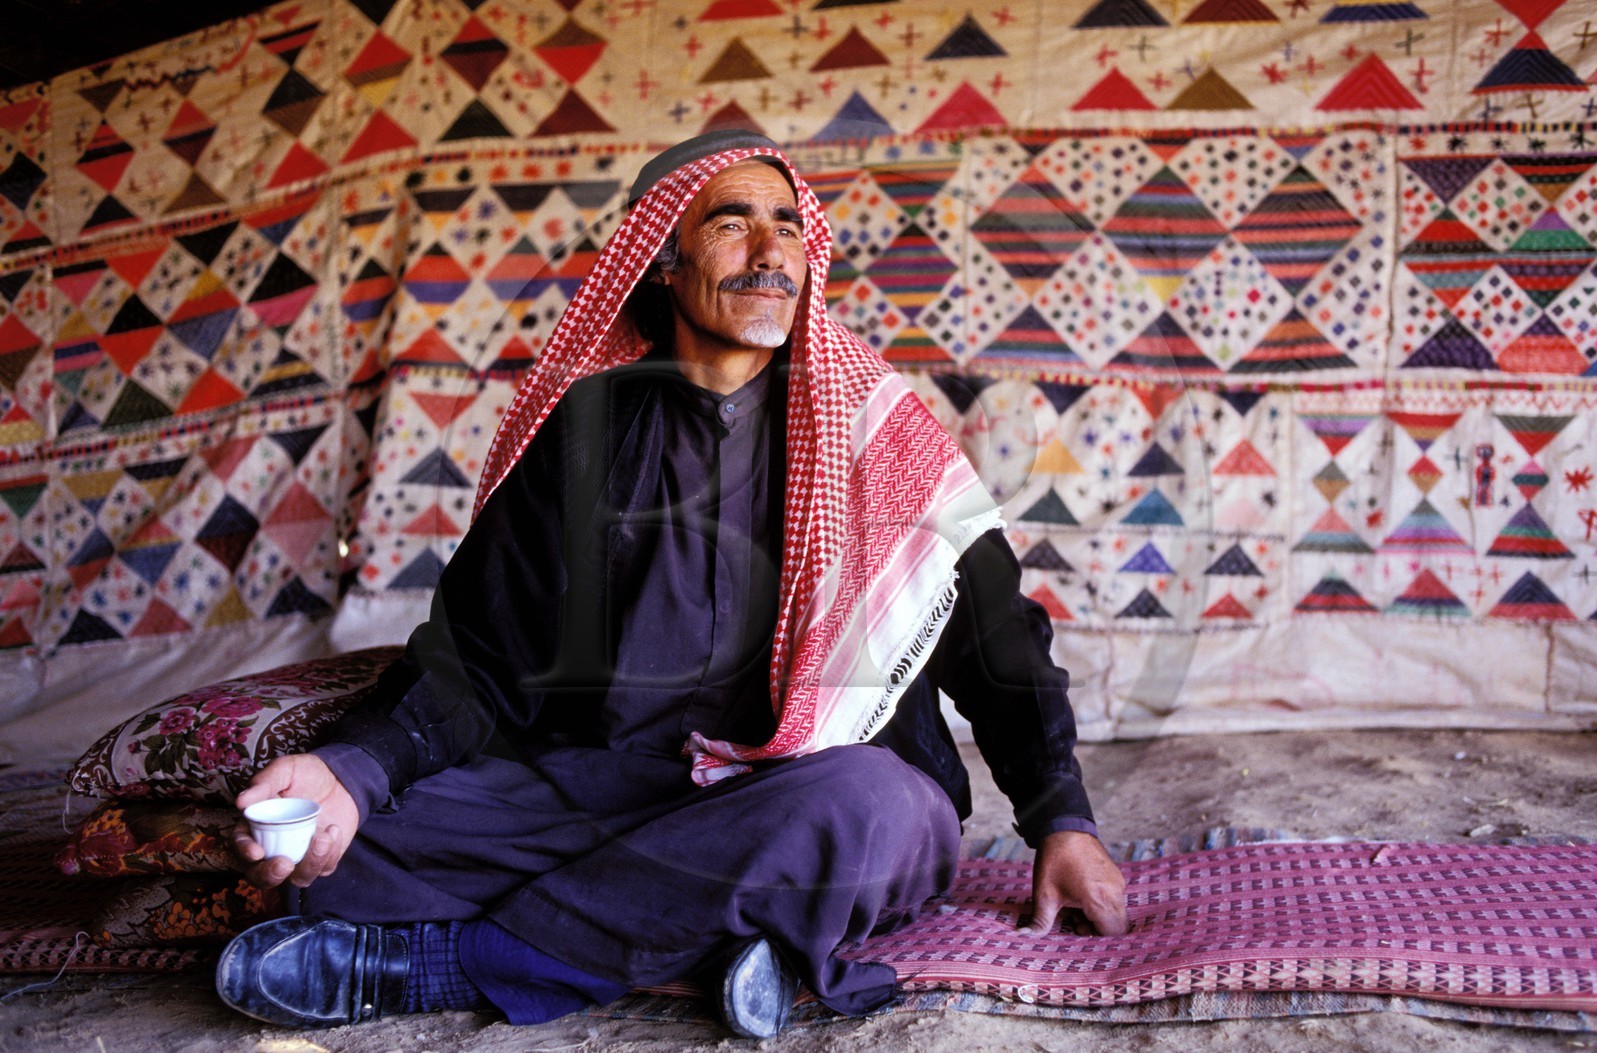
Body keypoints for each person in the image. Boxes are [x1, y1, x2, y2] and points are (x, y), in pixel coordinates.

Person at [217, 131, 1128, 1039]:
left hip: (808, 791)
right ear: (661, 260)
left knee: (873, 812)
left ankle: (457, 962)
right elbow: (476, 660)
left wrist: (1063, 819)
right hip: (616, 790)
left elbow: (999, 636)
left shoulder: (878, 434)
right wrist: (352, 771)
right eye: (732, 223)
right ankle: (721, 938)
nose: (771, 252)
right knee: (345, 850)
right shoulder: (586, 436)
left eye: (788, 226)